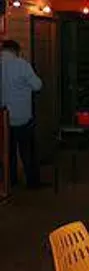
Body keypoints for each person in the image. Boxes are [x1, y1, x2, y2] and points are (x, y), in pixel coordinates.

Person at [1, 40, 43, 188]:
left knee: (7, 152)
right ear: (16, 50)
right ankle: (32, 182)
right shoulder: (22, 64)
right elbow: (38, 85)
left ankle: (10, 182)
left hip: (3, 119)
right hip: (22, 117)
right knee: (28, 152)